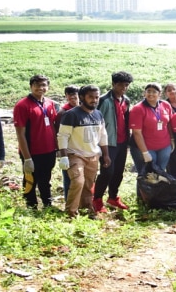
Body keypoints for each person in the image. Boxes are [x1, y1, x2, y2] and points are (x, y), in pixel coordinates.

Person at [57, 85, 111, 218]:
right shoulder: (71, 115)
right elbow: (62, 136)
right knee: (78, 182)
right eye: (91, 97)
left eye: (97, 97)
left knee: (88, 184)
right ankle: (71, 212)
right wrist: (63, 156)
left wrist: (106, 154)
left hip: (93, 155)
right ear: (82, 97)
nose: (94, 100)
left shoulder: (98, 114)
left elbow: (103, 135)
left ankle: (87, 209)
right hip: (75, 155)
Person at [13, 74, 59, 209]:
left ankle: (47, 204)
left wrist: (58, 148)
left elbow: (53, 126)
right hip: (32, 151)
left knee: (46, 179)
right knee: (30, 179)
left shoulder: (50, 103)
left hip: (49, 149)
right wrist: (27, 158)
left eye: (44, 85)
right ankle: (31, 206)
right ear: (31, 86)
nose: (41, 88)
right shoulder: (22, 105)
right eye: (37, 85)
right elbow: (20, 133)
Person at [92, 71, 132, 213]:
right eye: (120, 84)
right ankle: (97, 199)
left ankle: (113, 197)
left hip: (121, 142)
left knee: (119, 172)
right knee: (107, 171)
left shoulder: (126, 100)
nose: (123, 88)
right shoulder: (103, 100)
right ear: (113, 84)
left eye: (126, 85)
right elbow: (95, 121)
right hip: (107, 143)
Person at [130, 83, 174, 173]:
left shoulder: (166, 105)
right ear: (144, 93)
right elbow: (136, 132)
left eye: (154, 91)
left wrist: (172, 139)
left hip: (164, 146)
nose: (151, 94)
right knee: (147, 175)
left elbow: (169, 123)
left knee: (160, 172)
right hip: (146, 148)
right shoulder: (138, 109)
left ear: (159, 94)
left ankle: (159, 187)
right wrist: (145, 152)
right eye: (148, 91)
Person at [54, 85, 80, 201]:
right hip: (68, 149)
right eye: (69, 96)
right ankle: (68, 201)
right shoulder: (63, 113)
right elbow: (58, 134)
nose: (73, 99)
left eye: (75, 96)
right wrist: (61, 152)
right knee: (68, 177)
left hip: (82, 148)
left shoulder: (85, 109)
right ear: (66, 97)